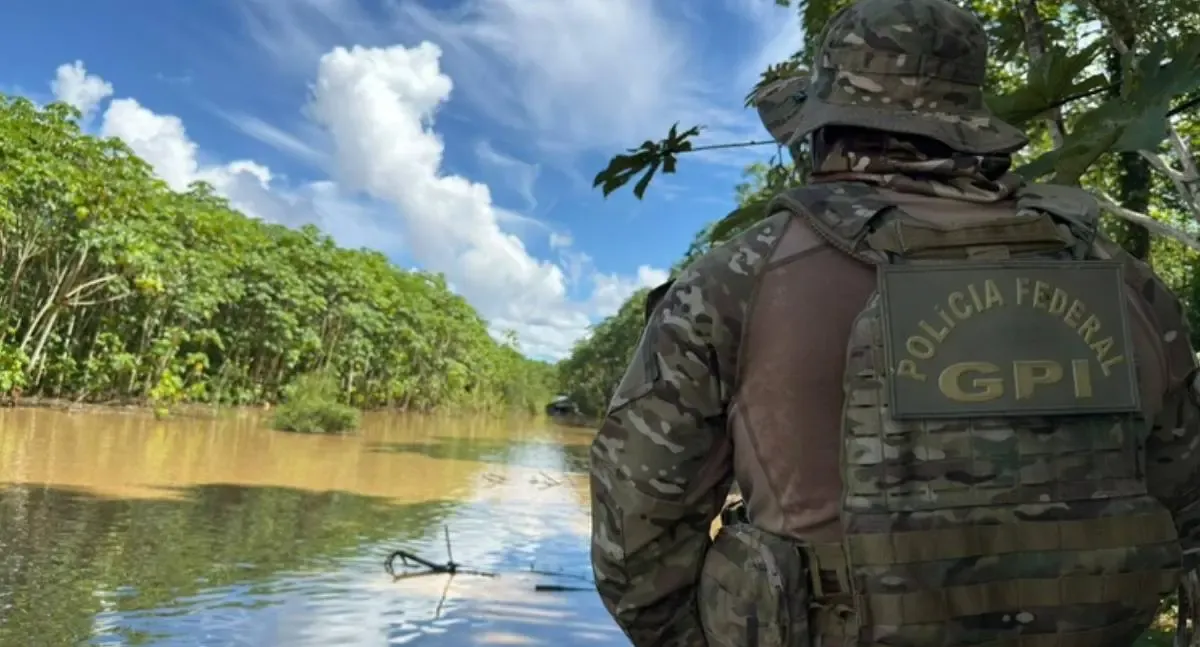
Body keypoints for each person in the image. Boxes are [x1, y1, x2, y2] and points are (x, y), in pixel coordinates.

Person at [588, 0, 1200, 645]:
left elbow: (638, 531)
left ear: (825, 130)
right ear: (971, 125)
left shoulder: (738, 277)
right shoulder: (1123, 280)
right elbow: (1185, 503)